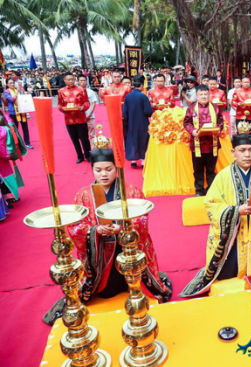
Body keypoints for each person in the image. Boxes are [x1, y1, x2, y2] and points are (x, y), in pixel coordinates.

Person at [43, 146, 172, 325]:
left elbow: (142, 219)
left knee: (134, 283)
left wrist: (121, 228)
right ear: (92, 170)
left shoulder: (131, 191)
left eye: (108, 169)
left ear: (116, 168)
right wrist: (93, 230)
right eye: (98, 170)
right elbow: (75, 225)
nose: (103, 174)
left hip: (125, 248)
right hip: (101, 256)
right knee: (107, 290)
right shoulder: (83, 195)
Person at [179, 134, 251, 297]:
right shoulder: (223, 177)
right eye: (242, 150)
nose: (247, 155)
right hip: (232, 240)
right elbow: (211, 203)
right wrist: (235, 211)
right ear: (233, 152)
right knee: (225, 272)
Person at [183, 85, 224, 196]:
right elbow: (186, 123)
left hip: (212, 144)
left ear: (209, 95)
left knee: (211, 170)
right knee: (198, 170)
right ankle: (199, 191)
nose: (204, 96)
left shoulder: (215, 107)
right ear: (197, 95)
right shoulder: (191, 108)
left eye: (206, 94)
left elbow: (220, 121)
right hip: (197, 144)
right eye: (201, 94)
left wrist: (218, 129)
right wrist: (192, 131)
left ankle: (211, 191)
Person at [58, 73, 91, 164]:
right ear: (64, 80)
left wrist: (82, 108)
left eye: (72, 79)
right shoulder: (61, 91)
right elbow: (60, 105)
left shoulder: (81, 90)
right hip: (69, 120)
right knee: (74, 139)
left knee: (84, 138)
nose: (71, 81)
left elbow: (87, 103)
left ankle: (88, 155)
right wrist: (63, 109)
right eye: (68, 79)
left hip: (81, 118)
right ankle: (79, 156)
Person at [122, 75, 153, 168]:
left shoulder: (127, 97)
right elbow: (148, 111)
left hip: (131, 122)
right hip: (142, 122)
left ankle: (133, 160)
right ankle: (143, 161)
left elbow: (124, 112)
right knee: (143, 140)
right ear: (141, 86)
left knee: (132, 140)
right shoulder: (143, 97)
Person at [3, 78, 32, 149]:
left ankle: (27, 143)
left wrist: (22, 90)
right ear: (7, 84)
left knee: (25, 128)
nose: (12, 84)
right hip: (13, 112)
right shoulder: (6, 92)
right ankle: (17, 144)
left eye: (13, 83)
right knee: (15, 129)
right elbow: (12, 100)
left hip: (21, 111)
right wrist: (17, 92)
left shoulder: (17, 90)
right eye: (10, 83)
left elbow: (23, 97)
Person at [77, 74, 98, 149]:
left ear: (86, 81)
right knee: (82, 135)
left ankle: (93, 150)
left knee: (92, 134)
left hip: (90, 116)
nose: (82, 82)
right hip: (79, 118)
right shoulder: (75, 92)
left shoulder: (90, 92)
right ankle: (86, 151)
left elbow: (93, 104)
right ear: (78, 82)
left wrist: (89, 114)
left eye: (84, 80)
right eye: (81, 80)